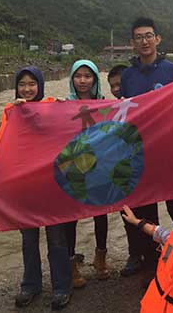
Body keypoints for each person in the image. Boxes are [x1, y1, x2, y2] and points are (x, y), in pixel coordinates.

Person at [0, 66, 72, 310]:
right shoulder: (11, 113)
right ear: (16, 88)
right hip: (25, 190)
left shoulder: (54, 107)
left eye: (32, 84)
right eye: (22, 84)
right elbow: (1, 152)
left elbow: (69, 138)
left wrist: (64, 109)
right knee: (28, 241)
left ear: (40, 86)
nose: (27, 88)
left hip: (51, 188)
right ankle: (30, 284)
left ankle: (62, 286)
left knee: (57, 240)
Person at [119, 17, 173, 276]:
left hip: (169, 152)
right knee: (142, 207)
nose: (144, 41)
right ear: (132, 43)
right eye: (139, 37)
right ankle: (149, 258)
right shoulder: (128, 75)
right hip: (139, 152)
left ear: (158, 39)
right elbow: (124, 112)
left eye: (149, 36)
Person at [63, 59, 110, 288]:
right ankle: (71, 265)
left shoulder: (104, 103)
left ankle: (100, 259)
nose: (82, 81)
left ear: (95, 79)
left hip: (99, 168)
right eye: (78, 76)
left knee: (101, 214)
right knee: (70, 217)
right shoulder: (62, 105)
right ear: (72, 78)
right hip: (73, 169)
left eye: (87, 76)